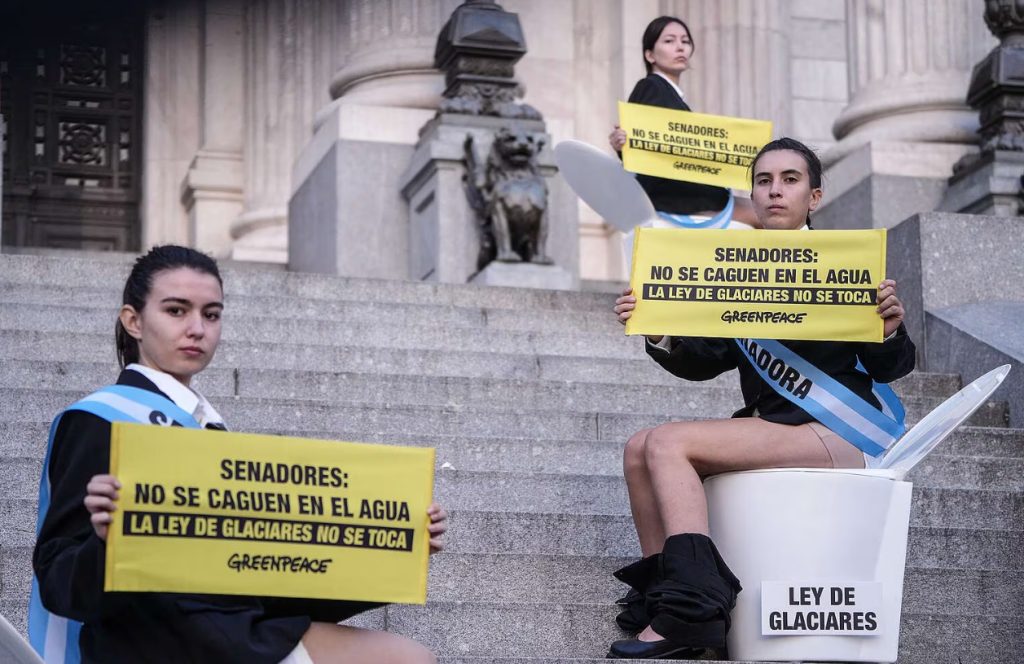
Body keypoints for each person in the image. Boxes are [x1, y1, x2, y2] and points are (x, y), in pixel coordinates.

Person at [30, 245, 447, 664]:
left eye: (211, 314)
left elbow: (262, 586)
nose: (197, 329)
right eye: (176, 311)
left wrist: (394, 550)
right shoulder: (100, 420)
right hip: (155, 645)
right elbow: (58, 582)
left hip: (234, 634)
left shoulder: (212, 431)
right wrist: (107, 544)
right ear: (133, 321)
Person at [607, 138, 916, 659]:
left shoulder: (847, 265)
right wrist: (658, 331)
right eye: (764, 181)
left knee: (667, 444)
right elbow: (705, 359)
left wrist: (890, 328)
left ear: (814, 197)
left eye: (790, 180)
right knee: (639, 448)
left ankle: (692, 615)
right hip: (781, 427)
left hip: (842, 430)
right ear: (752, 193)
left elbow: (894, 367)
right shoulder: (738, 268)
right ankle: (665, 598)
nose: (775, 191)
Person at [609, 15, 759, 229]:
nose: (680, 47)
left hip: (688, 197)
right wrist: (624, 145)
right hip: (678, 200)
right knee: (767, 215)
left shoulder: (669, 94)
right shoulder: (652, 87)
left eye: (685, 41)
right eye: (669, 41)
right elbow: (644, 145)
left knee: (768, 212)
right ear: (650, 54)